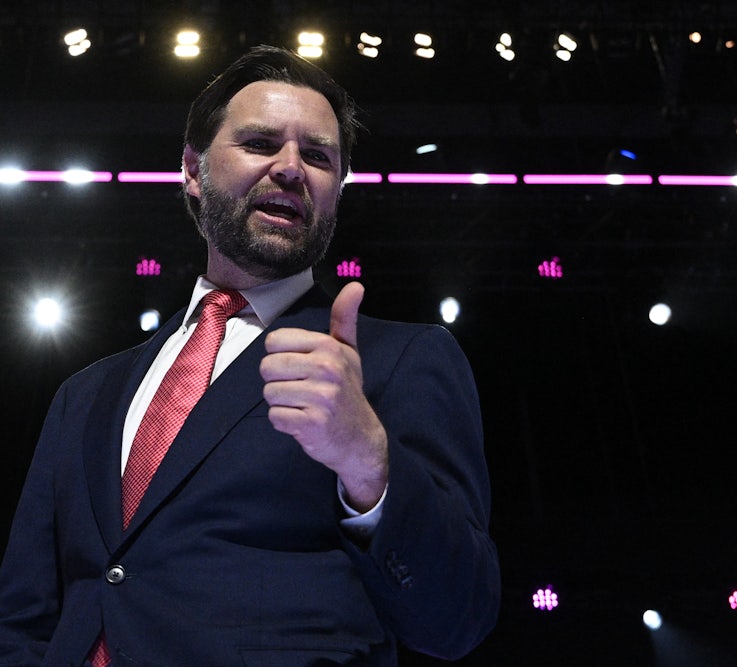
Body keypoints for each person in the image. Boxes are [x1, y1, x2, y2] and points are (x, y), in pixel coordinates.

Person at [0, 45, 500, 666]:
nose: (291, 168)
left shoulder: (401, 359)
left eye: (318, 156)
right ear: (192, 169)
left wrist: (369, 462)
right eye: (261, 144)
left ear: (336, 191)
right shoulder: (84, 394)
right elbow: (22, 617)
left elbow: (459, 616)